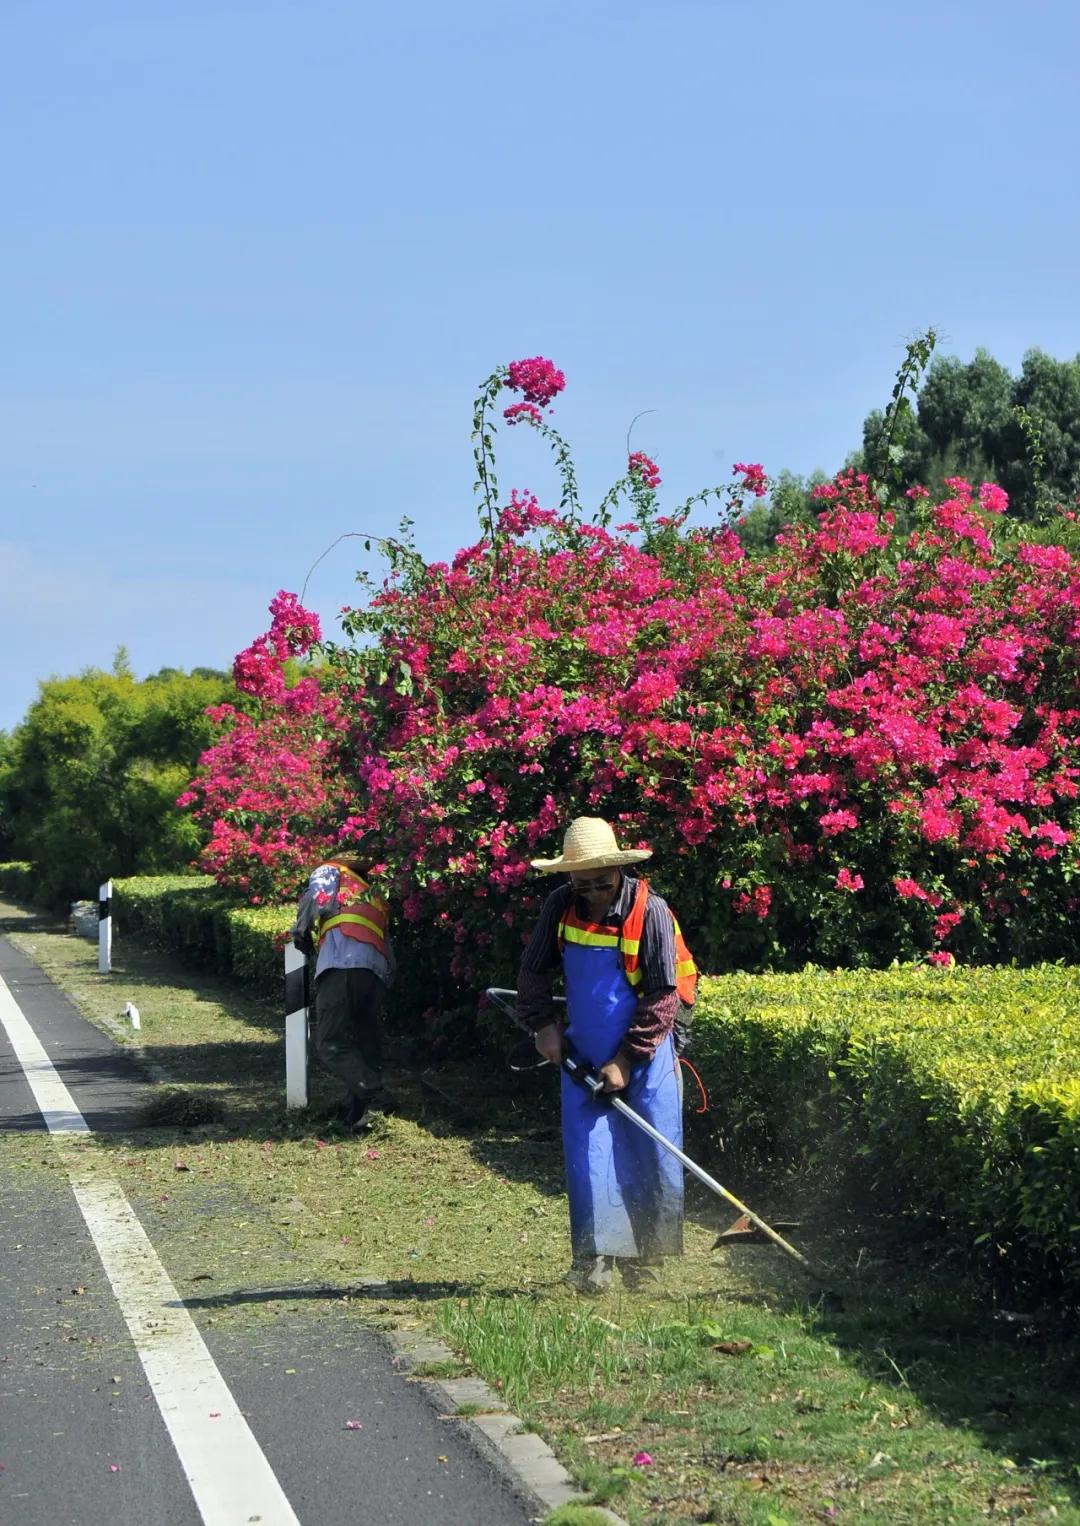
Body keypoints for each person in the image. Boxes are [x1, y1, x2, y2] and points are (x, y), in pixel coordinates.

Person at [516, 816, 698, 1292]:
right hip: (583, 1053)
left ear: (618, 872)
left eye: (601, 882)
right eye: (583, 882)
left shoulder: (650, 911)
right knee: (589, 1155)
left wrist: (627, 1059)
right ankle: (593, 1261)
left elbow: (663, 995)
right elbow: (533, 972)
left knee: (650, 1152)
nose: (593, 892)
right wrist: (544, 1027)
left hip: (647, 1047)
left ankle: (647, 1265)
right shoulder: (560, 905)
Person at [291, 848, 398, 1133]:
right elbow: (388, 944)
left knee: (331, 1043)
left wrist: (300, 932)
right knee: (366, 1043)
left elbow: (319, 900)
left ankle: (378, 1097)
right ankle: (359, 1112)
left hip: (342, 964)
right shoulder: (373, 893)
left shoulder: (330, 871)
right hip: (375, 972)